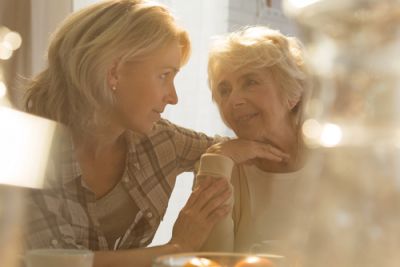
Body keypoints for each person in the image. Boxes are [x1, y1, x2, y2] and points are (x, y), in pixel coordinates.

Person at [22, 2, 289, 267]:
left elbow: (242, 148)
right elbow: (53, 263)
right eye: (164, 75)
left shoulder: (160, 141)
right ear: (115, 72)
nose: (173, 97)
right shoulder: (24, 151)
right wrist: (177, 247)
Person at [204, 25, 311, 255]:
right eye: (224, 90)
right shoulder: (223, 164)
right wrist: (218, 160)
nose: (234, 100)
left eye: (250, 82)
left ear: (291, 93)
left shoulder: (336, 163)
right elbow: (211, 262)